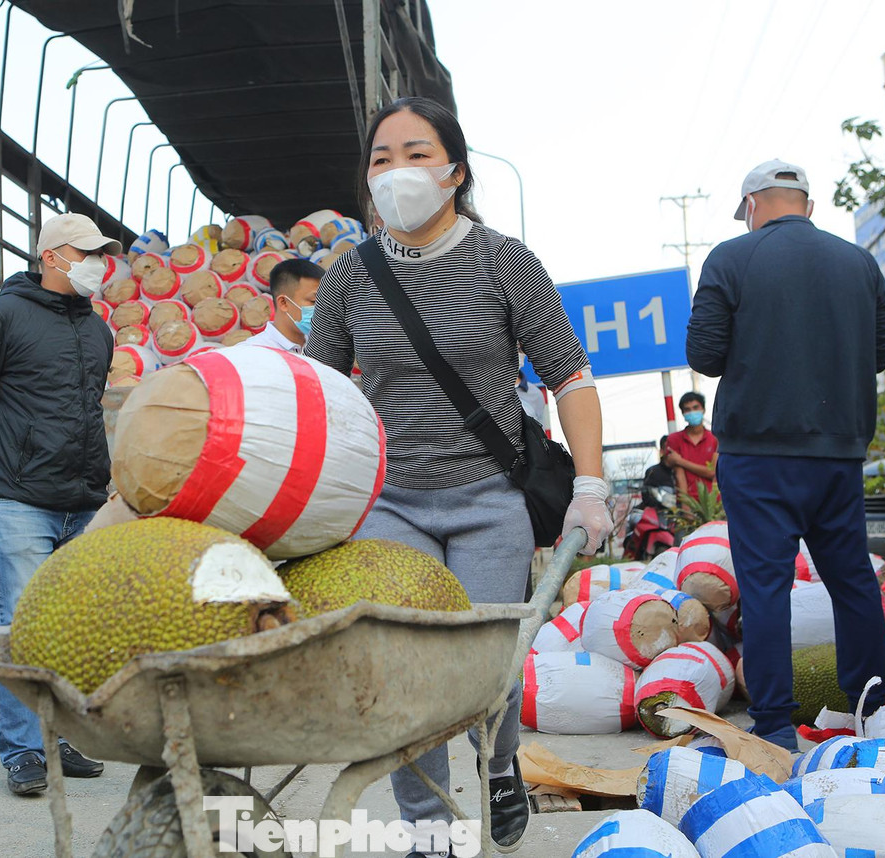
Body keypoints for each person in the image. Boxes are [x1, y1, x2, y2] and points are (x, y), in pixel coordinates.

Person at [302, 96, 611, 857]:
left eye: (415, 153)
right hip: (388, 503)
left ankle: (500, 764)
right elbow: (320, 394)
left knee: (486, 668)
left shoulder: (505, 261)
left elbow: (570, 376)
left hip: (489, 499)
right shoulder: (348, 278)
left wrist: (592, 487)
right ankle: (431, 829)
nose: (397, 171)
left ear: (455, 170)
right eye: (382, 158)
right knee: (409, 672)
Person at [686, 159, 885, 751]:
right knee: (852, 579)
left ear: (752, 204)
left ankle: (775, 725)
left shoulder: (731, 257)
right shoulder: (859, 262)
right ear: (807, 203)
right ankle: (871, 711)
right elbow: (878, 354)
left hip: (757, 453)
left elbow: (704, 352)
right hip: (839, 452)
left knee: (766, 585)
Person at [0, 213, 118, 796]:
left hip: (83, 500)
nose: (98, 263)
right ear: (51, 256)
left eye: (101, 254)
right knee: (18, 630)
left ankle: (59, 738)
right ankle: (22, 750)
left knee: (70, 632)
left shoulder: (99, 330)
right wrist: (5, 455)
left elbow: (88, 408)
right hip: (20, 499)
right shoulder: (3, 316)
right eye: (87, 252)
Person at [245, 258, 324, 353]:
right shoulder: (253, 353)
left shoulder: (324, 347)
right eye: (314, 301)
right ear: (284, 302)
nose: (324, 308)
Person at [665, 391, 718, 503]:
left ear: (703, 409)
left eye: (695, 407)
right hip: (688, 502)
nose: (692, 412)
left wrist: (680, 461)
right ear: (683, 413)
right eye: (687, 409)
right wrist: (686, 503)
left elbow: (712, 472)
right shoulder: (674, 439)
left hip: (714, 502)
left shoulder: (715, 438)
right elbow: (679, 472)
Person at [642, 435, 677, 512]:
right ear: (661, 451)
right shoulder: (653, 472)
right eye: (668, 448)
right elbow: (647, 497)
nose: (671, 451)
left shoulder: (683, 470)